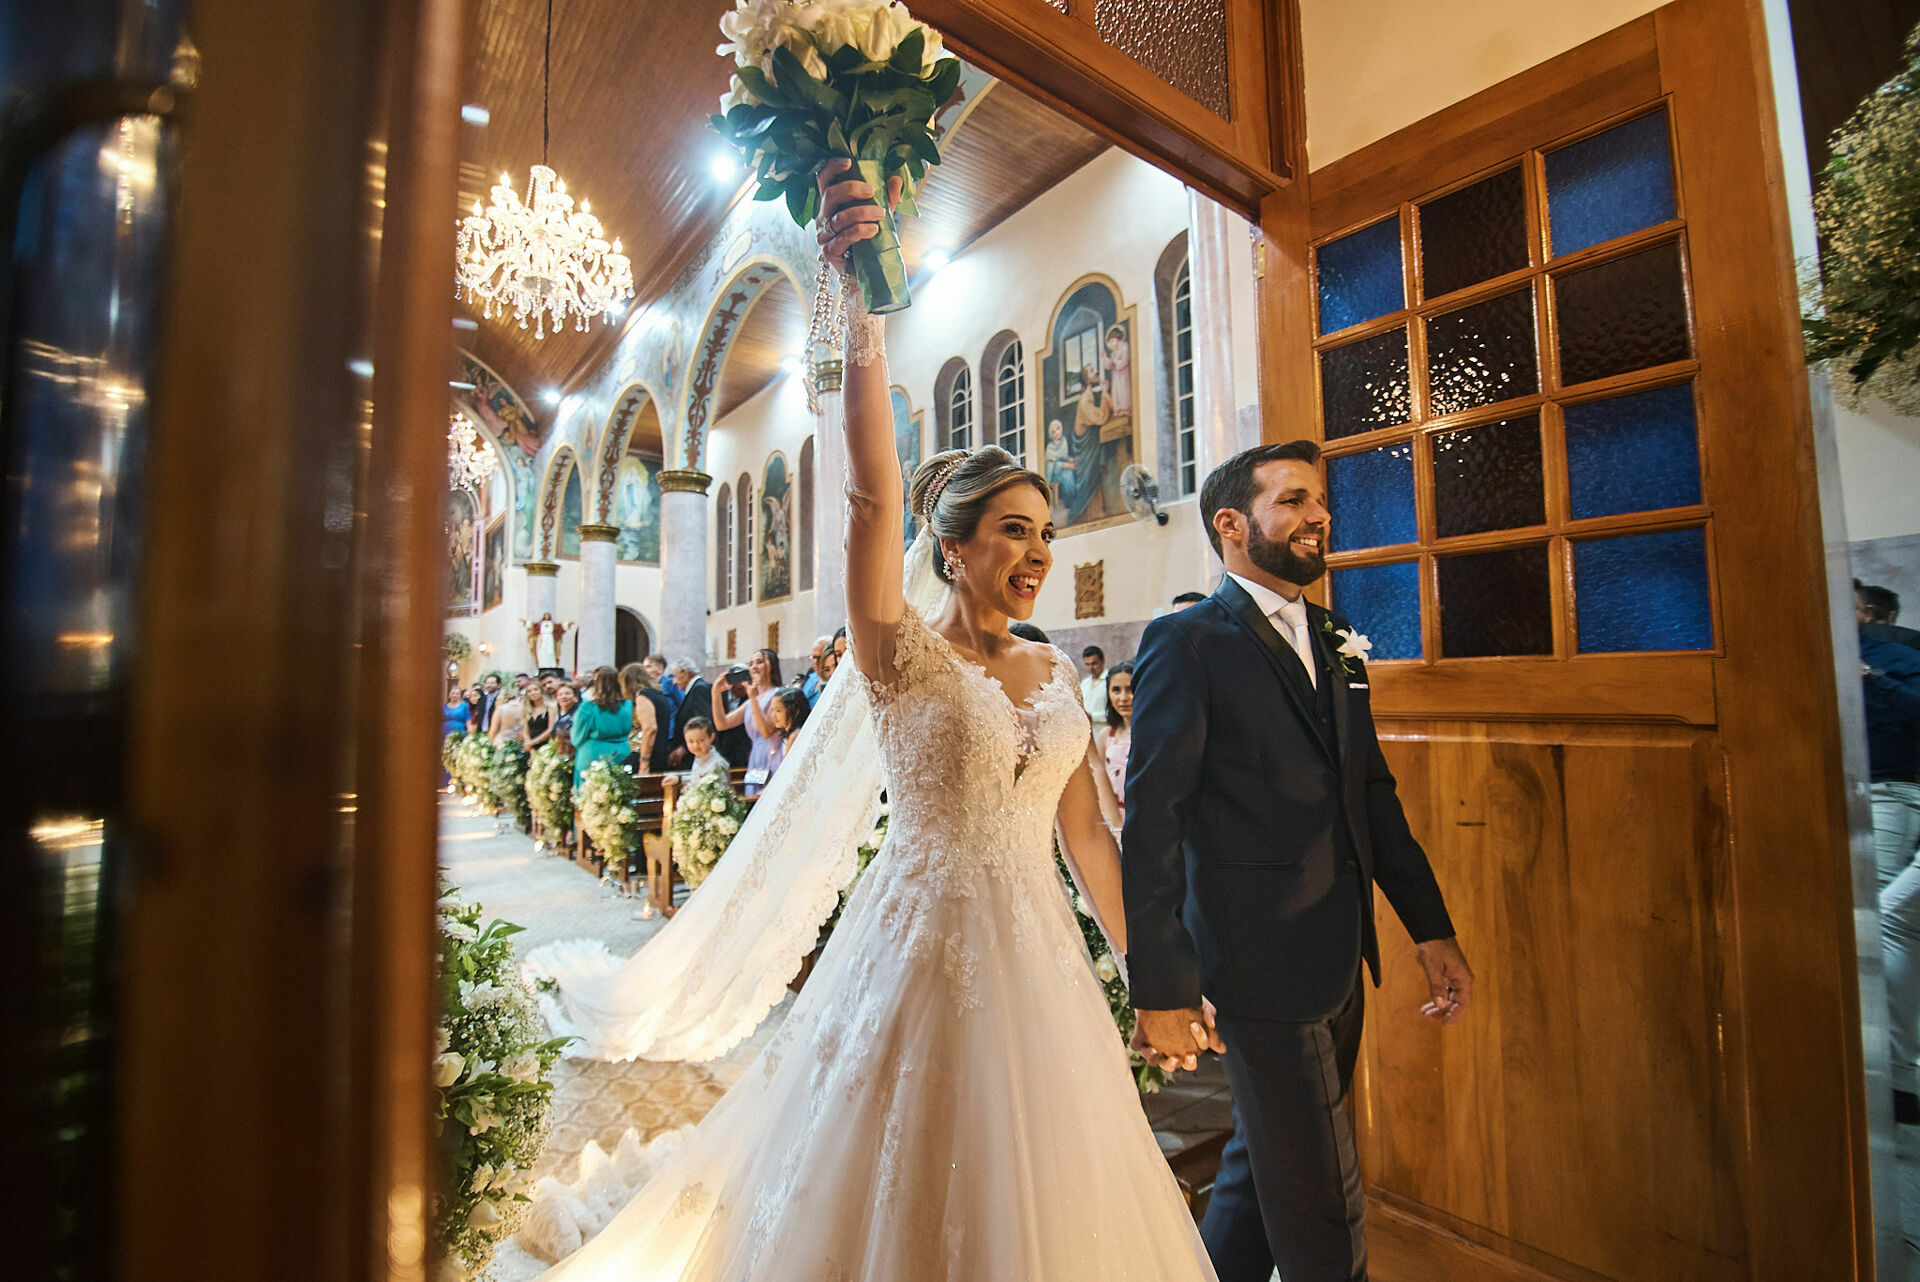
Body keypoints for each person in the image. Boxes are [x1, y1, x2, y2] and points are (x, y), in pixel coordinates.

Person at [516, 161, 1217, 1281]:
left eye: (1047, 534)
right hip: (919, 945)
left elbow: (1088, 835)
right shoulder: (898, 654)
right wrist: (862, 307)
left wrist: (1152, 975)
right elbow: (869, 497)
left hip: (1039, 959)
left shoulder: (1052, 671)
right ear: (954, 544)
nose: (1038, 553)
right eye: (1013, 530)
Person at [1125, 440, 1472, 1282]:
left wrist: (1431, 929)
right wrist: (1163, 987)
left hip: (1340, 956)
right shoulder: (1187, 642)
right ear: (1231, 524)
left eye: (1319, 499)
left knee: (1260, 1173)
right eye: (1293, 500)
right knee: (1324, 1208)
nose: (1320, 515)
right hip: (1256, 965)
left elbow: (1371, 796)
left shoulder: (1335, 637)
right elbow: (1153, 822)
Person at [1864, 616, 1920, 1120]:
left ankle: (1889, 1072)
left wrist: (1873, 678)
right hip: (1856, 784)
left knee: (1883, 919)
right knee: (1886, 920)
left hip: (1892, 791)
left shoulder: (1898, 654)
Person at [711, 648, 781, 794]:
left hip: (772, 754)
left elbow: (766, 732)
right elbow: (721, 724)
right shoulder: (751, 700)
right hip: (755, 756)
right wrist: (716, 693)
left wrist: (753, 698)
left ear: (772, 666)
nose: (754, 667)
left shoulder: (777, 695)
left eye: (759, 662)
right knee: (752, 800)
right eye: (751, 663)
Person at [569, 667, 631, 791]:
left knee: (590, 794)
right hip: (622, 752)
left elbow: (577, 736)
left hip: (593, 754)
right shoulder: (627, 705)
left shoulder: (588, 707)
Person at [1094, 660, 1134, 817]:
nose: (1123, 698)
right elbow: (1099, 781)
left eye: (1130, 689)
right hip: (1112, 817)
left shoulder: (1153, 735)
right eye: (1116, 690)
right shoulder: (1106, 735)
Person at [665, 658, 713, 769]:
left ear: (686, 673)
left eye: (675, 676)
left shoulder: (699, 689)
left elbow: (703, 722)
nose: (674, 682)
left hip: (698, 754)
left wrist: (685, 748)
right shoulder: (696, 688)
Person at [618, 662, 664, 775]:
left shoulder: (643, 696)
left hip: (646, 755)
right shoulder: (657, 694)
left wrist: (644, 763)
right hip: (659, 752)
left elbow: (650, 729)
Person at [764, 687, 811, 783]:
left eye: (778, 711)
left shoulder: (794, 736)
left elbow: (788, 771)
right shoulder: (791, 735)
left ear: (795, 711)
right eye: (772, 710)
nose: (773, 716)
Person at [679, 716, 728, 784]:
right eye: (691, 741)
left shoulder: (717, 764)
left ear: (711, 737)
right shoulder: (699, 757)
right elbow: (697, 779)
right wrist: (679, 779)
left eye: (701, 740)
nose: (696, 745)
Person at [1080, 644, 1108, 721]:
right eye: (1087, 664)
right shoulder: (1084, 683)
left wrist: (1092, 717)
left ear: (1102, 661)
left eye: (1094, 664)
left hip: (1105, 727)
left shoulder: (1110, 681)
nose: (1090, 668)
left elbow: (1116, 713)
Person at [523, 683, 553, 752]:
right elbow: (525, 731)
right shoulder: (527, 710)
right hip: (531, 748)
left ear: (541, 691)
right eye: (529, 691)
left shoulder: (550, 708)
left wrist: (532, 743)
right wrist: (530, 748)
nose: (533, 693)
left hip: (546, 746)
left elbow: (550, 729)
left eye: (536, 690)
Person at [551, 682, 579, 757]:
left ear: (575, 696)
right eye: (560, 694)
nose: (564, 697)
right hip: (560, 753)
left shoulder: (579, 712)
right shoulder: (557, 713)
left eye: (567, 694)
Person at [801, 635, 831, 703]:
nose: (815, 662)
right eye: (813, 657)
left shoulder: (833, 680)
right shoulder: (811, 678)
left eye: (819, 658)